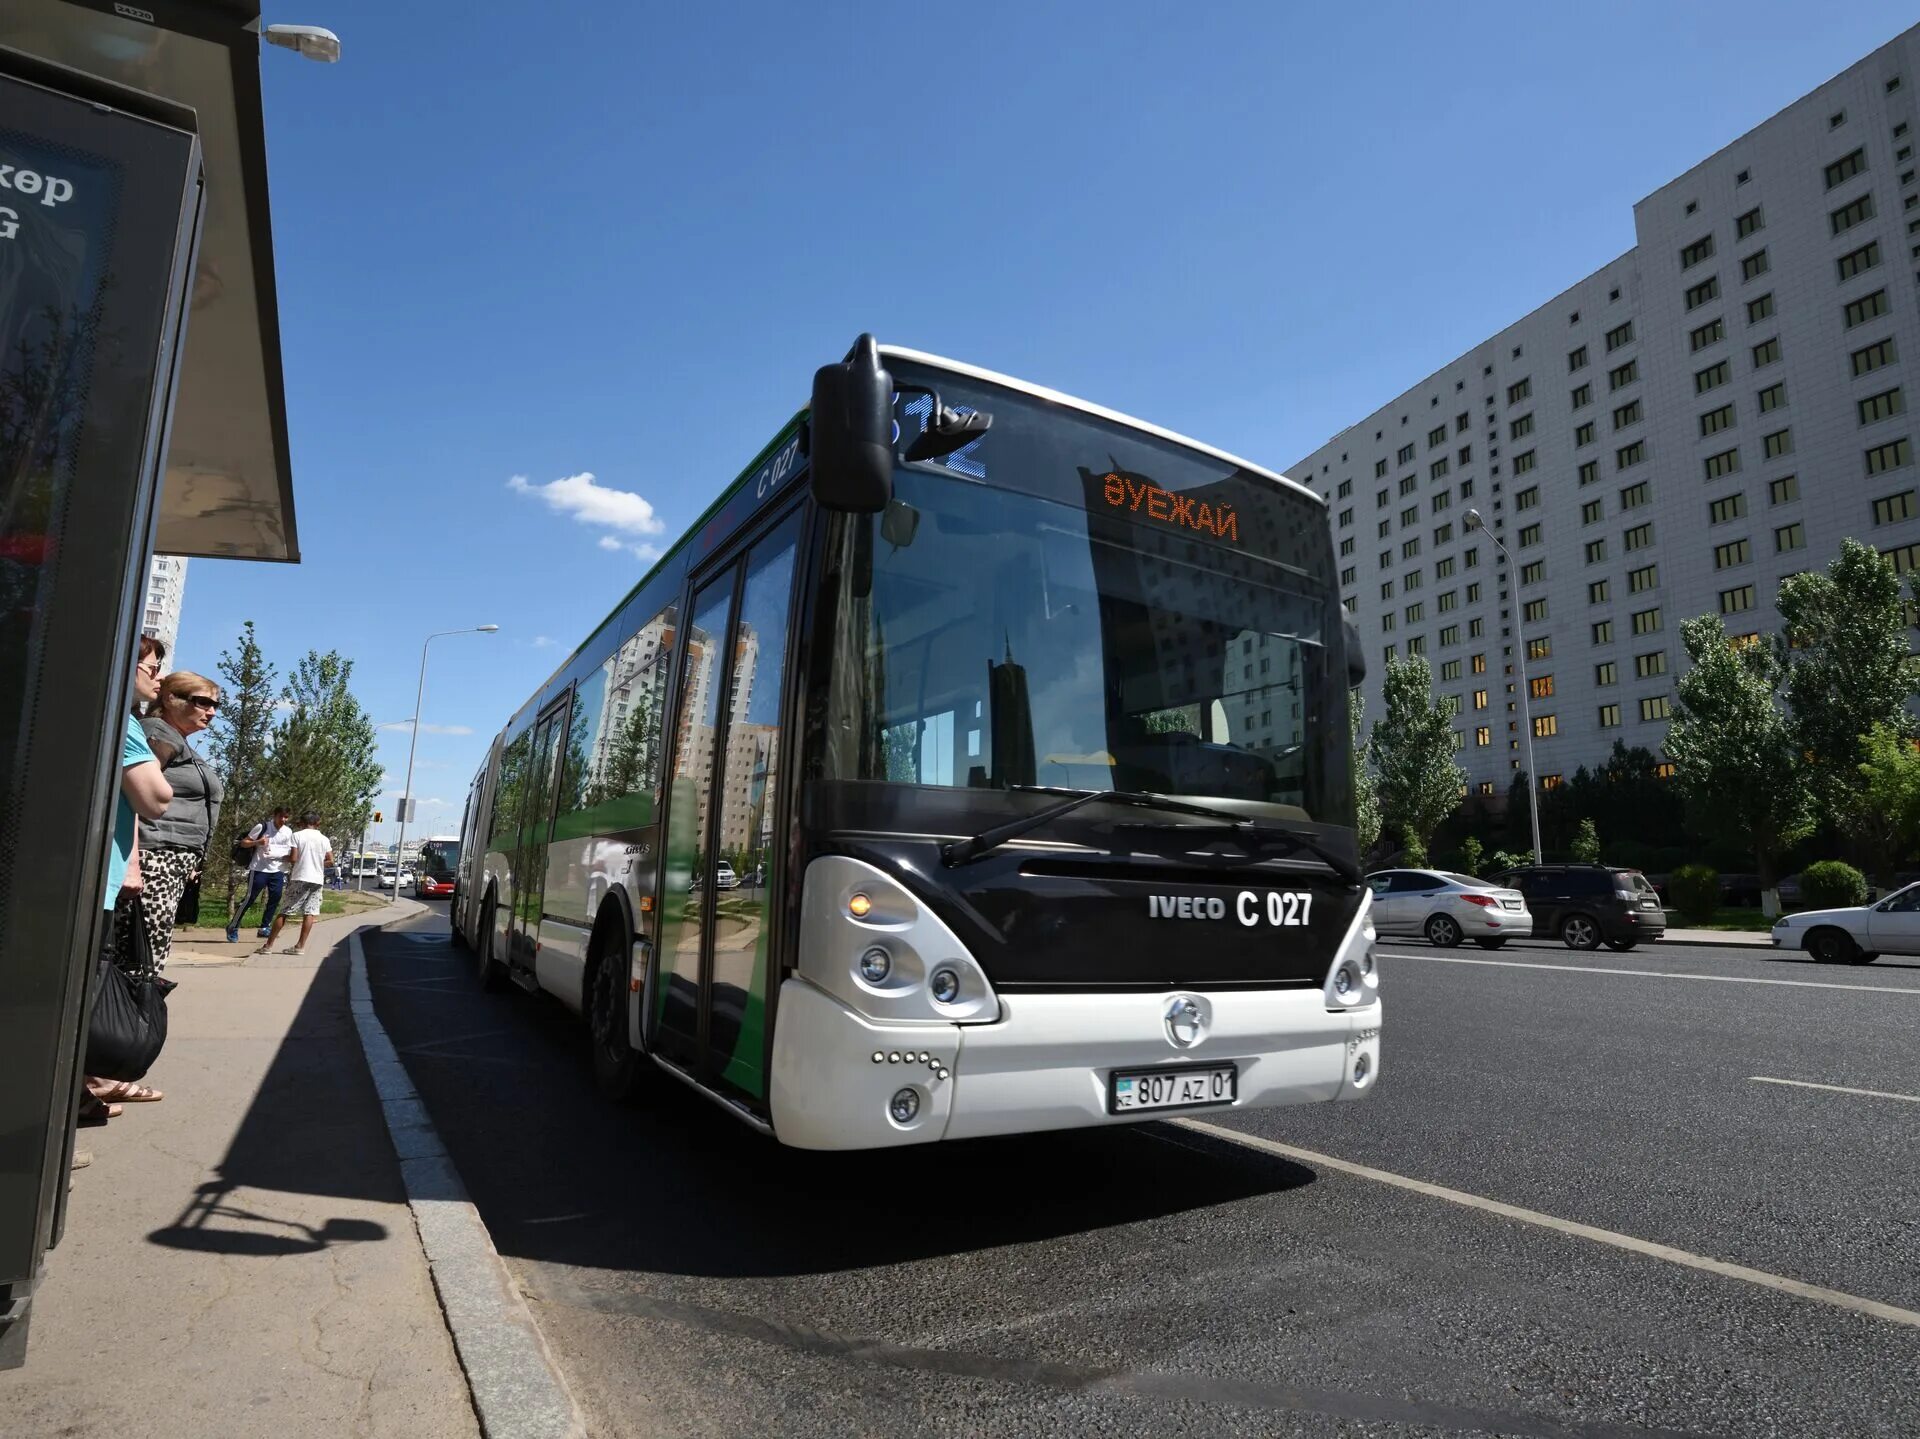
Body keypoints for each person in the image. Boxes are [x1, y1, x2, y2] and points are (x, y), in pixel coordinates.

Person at [84, 636, 174, 1120]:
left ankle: (83, 1086)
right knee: (85, 989)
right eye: (151, 666)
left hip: (87, 872)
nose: (156, 677)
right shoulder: (123, 721)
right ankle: (62, 1101)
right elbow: (154, 799)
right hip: (92, 882)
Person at [116, 669, 225, 976]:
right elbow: (131, 795)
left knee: (149, 957)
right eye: (202, 702)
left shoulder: (176, 739)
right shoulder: (158, 733)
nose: (212, 712)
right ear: (170, 698)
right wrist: (132, 862)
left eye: (216, 705)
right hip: (154, 861)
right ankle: (128, 1021)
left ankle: (136, 1019)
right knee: (141, 962)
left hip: (170, 863)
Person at [258, 812, 333, 956]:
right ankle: (300, 946)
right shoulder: (324, 839)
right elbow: (330, 860)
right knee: (310, 912)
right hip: (317, 879)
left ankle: (268, 946)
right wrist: (317, 863)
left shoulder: (297, 836)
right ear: (317, 823)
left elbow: (293, 858)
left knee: (285, 911)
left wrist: (280, 857)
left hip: (300, 877)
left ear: (303, 822)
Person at [227, 805, 293, 943]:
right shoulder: (262, 827)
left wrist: (289, 857)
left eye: (286, 817)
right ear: (274, 815)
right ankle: (233, 927)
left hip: (278, 870)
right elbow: (244, 843)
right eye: (281, 816)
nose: (283, 819)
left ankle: (264, 927)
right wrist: (258, 842)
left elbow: (289, 851)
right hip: (259, 869)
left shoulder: (288, 832)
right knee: (249, 899)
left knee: (275, 898)